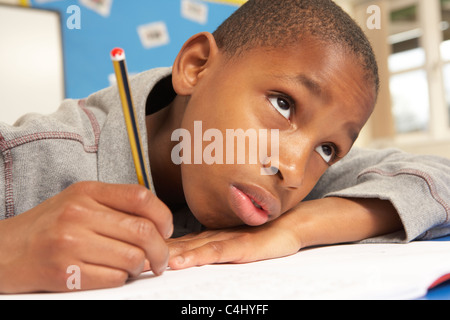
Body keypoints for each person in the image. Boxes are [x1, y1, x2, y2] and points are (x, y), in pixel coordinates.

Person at [1, 0, 449, 294]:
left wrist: (297, 229)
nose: (292, 169)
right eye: (283, 104)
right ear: (196, 67)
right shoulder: (31, 160)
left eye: (329, 149)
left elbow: (441, 176)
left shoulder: (284, 181)